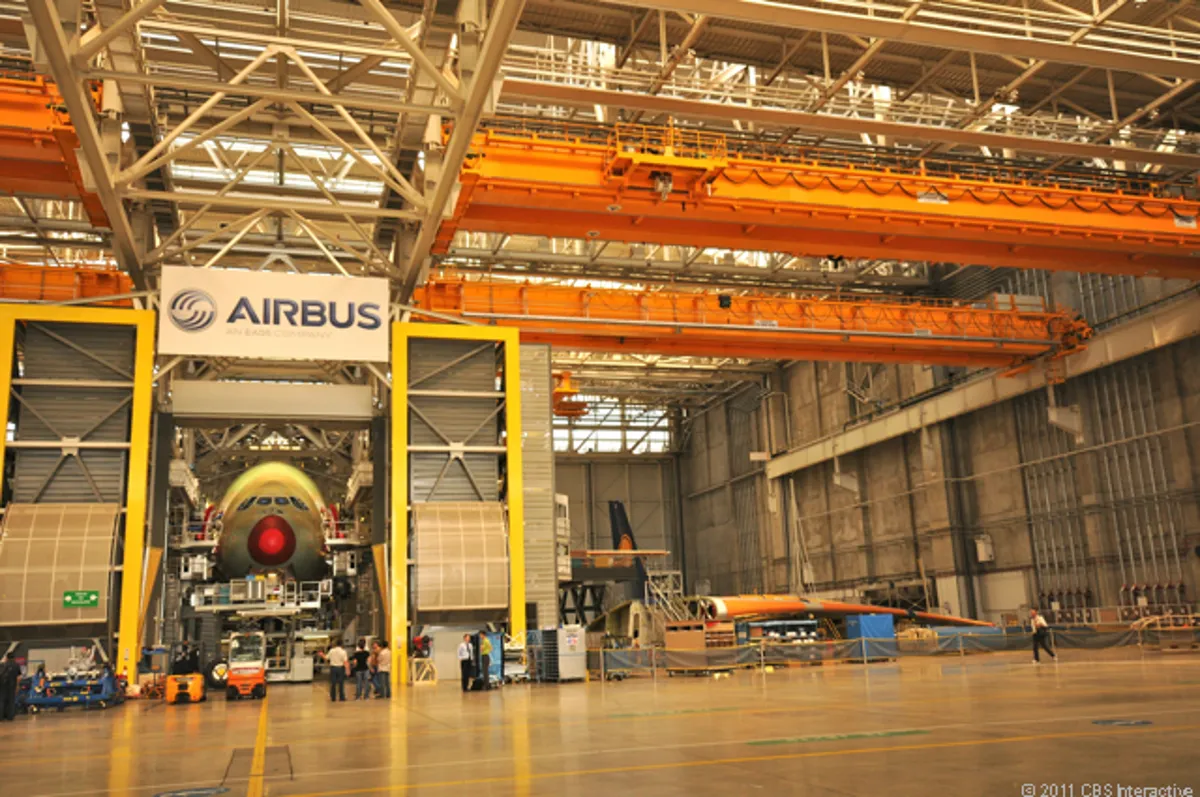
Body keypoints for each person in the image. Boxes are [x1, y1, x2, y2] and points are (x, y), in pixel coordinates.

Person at [0, 652, 20, 721]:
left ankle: (1, 717)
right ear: (14, 657)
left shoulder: (2, 665)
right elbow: (18, 677)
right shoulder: (16, 665)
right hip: (12, 685)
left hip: (2, 685)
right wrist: (17, 686)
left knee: (1, 701)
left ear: (7, 658)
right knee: (11, 701)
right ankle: (10, 717)